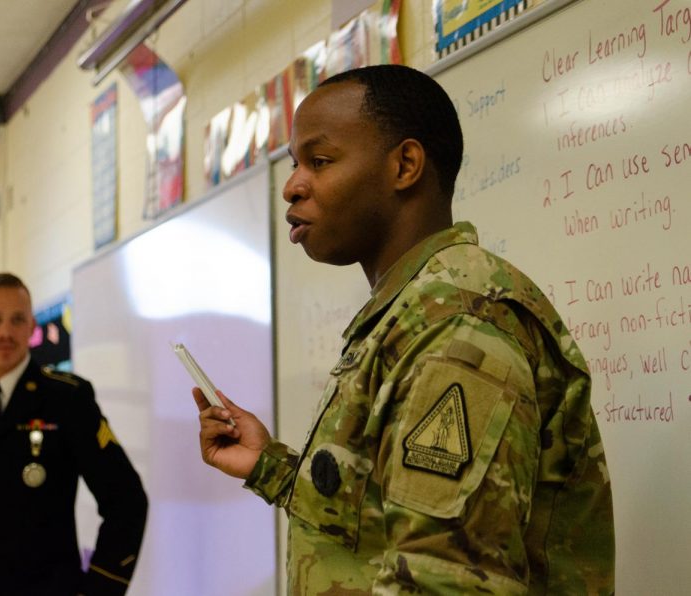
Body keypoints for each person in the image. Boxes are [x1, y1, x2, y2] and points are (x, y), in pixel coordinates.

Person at [193, 65, 615, 594]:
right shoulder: (412, 310)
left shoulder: (457, 327)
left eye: (319, 161)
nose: (293, 186)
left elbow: (445, 582)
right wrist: (269, 467)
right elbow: (371, 522)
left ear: (405, 165)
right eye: (296, 164)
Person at [0, 273, 147, 596]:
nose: (5, 332)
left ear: (32, 327)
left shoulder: (67, 399)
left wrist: (98, 590)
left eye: (17, 320)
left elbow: (126, 500)